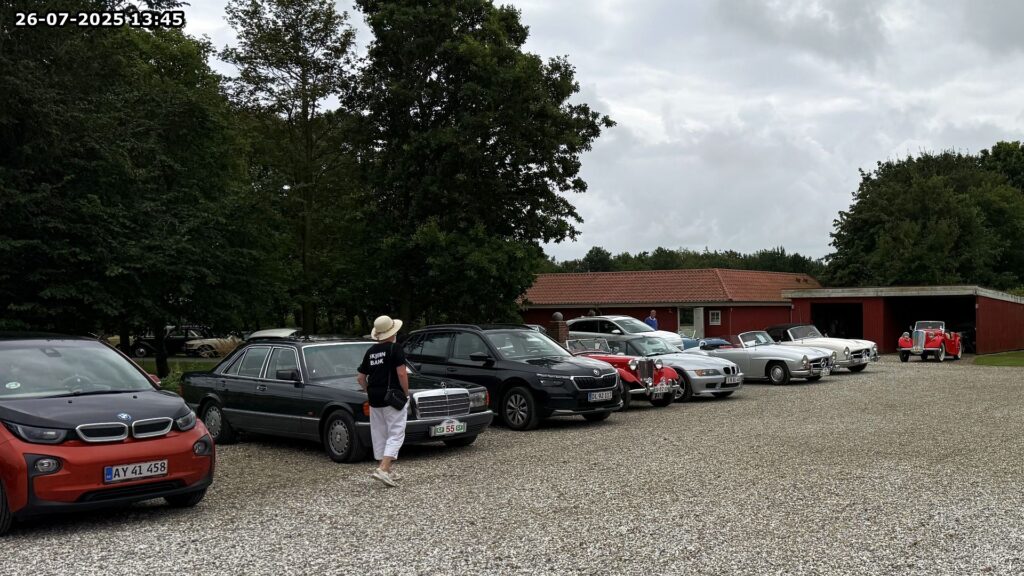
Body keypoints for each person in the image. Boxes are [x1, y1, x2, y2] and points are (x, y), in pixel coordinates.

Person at [357, 315, 410, 488]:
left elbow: (360, 378)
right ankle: (384, 468)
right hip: (392, 397)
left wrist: (369, 391)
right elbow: (401, 373)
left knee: (379, 433)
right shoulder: (395, 348)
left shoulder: (370, 351)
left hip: (374, 397)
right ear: (392, 332)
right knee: (396, 432)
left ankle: (385, 468)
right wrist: (405, 393)